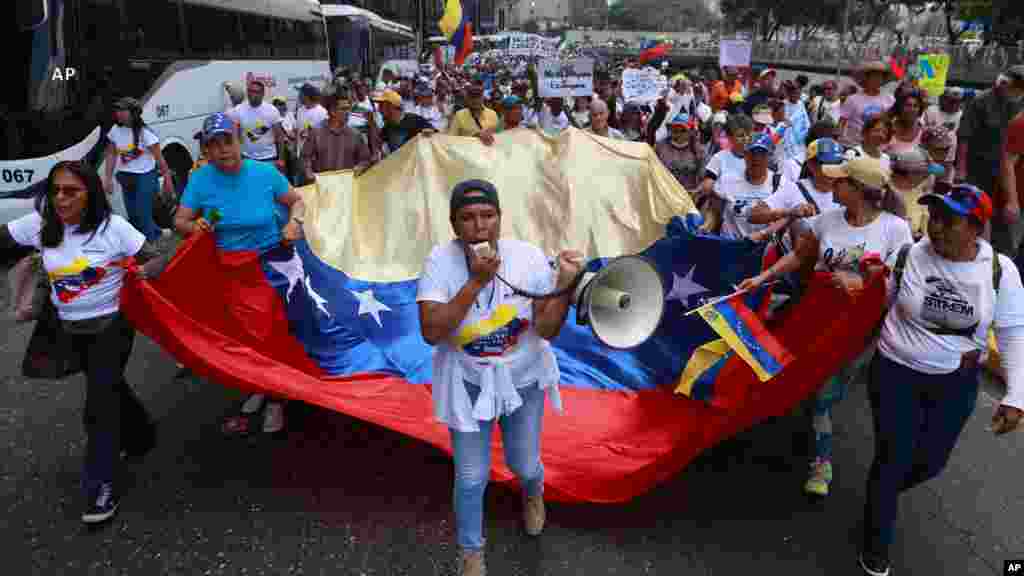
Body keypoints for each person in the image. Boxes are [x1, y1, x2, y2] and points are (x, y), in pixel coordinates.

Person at [416, 180, 582, 576]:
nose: (480, 226)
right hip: (469, 382)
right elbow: (431, 332)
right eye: (468, 218)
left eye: (488, 216)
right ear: (454, 225)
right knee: (471, 476)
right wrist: (475, 282)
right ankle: (471, 550)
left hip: (522, 380)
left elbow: (546, 331)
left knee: (524, 464)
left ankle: (533, 491)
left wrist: (563, 286)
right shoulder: (440, 262)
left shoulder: (526, 257)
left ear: (500, 218)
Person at [857, 184, 1024, 576]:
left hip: (955, 382)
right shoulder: (909, 255)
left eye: (948, 221)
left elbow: (1014, 333)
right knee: (893, 454)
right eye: (933, 217)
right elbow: (879, 303)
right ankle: (875, 544)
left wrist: (1017, 395)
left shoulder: (1000, 271)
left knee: (930, 462)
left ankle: (881, 494)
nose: (936, 228)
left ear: (975, 227)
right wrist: (862, 284)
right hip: (894, 369)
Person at [743, 155, 913, 502]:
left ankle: (821, 464)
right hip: (815, 321)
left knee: (824, 396)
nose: (831, 184)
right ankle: (798, 437)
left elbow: (898, 282)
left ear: (858, 190)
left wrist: (863, 283)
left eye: (840, 181)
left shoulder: (895, 229)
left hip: (858, 333)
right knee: (798, 380)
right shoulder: (827, 220)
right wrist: (760, 278)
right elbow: (799, 256)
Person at [1, 160, 158, 524]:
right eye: (55, 191)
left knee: (98, 405)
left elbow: (155, 257)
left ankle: (100, 486)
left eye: (70, 191)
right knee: (109, 386)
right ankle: (140, 435)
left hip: (112, 327)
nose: (60, 198)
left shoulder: (113, 228)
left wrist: (144, 270)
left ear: (90, 194)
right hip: (66, 328)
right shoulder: (42, 225)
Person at [173, 113, 305, 435]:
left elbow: (297, 202)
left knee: (272, 334)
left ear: (239, 141)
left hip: (271, 265)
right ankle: (261, 386)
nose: (222, 151)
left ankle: (277, 398)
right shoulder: (200, 179)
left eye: (227, 141)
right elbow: (180, 222)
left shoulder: (264, 173)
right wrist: (195, 226)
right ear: (205, 150)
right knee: (245, 336)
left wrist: (293, 222)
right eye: (213, 145)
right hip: (229, 268)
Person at [958, 65, 1024, 260]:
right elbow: (964, 136)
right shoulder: (980, 101)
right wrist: (961, 169)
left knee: (1004, 220)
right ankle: (975, 254)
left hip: (1007, 173)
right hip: (979, 168)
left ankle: (998, 259)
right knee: (979, 214)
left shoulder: (1018, 104)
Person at [102, 97, 174, 245]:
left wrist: (167, 179)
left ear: (133, 113)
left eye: (123, 110)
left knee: (142, 212)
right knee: (133, 215)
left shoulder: (144, 133)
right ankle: (156, 234)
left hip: (145, 176)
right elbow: (111, 154)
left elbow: (159, 158)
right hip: (125, 176)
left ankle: (152, 244)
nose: (119, 113)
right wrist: (108, 179)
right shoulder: (115, 130)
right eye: (117, 110)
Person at [709, 133, 789, 240]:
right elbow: (714, 212)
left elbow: (786, 218)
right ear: (745, 155)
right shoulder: (727, 180)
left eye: (762, 154)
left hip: (761, 248)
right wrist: (706, 225)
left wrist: (765, 233)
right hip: (729, 246)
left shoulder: (780, 184)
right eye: (752, 153)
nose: (756, 158)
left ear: (769, 156)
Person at [302, 92, 371, 183]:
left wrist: (359, 169)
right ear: (332, 111)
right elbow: (305, 157)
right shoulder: (316, 133)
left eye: (348, 108)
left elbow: (365, 159)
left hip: (347, 186)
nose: (348, 112)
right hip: (323, 187)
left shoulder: (355, 135)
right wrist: (309, 172)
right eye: (343, 109)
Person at [227, 79, 287, 174]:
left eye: (256, 92)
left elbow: (280, 137)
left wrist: (281, 159)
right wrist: (237, 158)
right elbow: (235, 138)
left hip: (269, 158)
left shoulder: (272, 110)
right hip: (247, 159)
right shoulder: (238, 110)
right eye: (250, 91)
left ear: (262, 94)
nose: (252, 94)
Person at [839, 61, 895, 147]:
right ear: (866, 78)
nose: (877, 79)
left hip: (879, 147)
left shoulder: (889, 99)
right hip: (854, 145)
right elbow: (841, 123)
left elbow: (892, 124)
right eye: (874, 76)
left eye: (880, 77)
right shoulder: (852, 99)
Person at [372, 90, 435, 157]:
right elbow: (378, 145)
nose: (379, 109)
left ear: (391, 106)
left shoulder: (415, 120)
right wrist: (372, 123)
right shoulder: (388, 126)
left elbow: (434, 136)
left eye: (381, 105)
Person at [654, 113, 704, 191]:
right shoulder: (660, 147)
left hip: (687, 195)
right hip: (665, 193)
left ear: (691, 132)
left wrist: (696, 191)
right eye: (675, 129)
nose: (678, 133)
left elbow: (703, 177)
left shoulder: (698, 150)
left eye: (683, 130)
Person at [885, 89, 927, 155]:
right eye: (908, 105)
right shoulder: (887, 129)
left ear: (920, 110)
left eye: (915, 106)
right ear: (900, 108)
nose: (911, 109)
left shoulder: (924, 132)